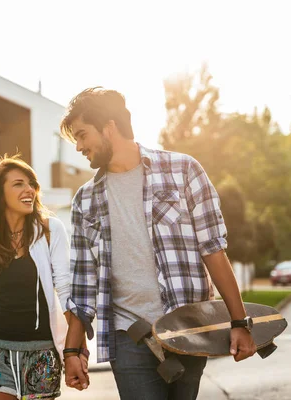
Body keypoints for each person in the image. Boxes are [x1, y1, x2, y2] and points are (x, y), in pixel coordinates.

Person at [60, 87, 257, 400]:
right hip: (129, 336)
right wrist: (72, 350)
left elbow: (213, 250)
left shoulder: (183, 170)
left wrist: (239, 322)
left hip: (187, 328)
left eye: (82, 135)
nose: (80, 147)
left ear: (109, 126)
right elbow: (82, 284)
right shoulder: (85, 200)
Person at [0, 155, 88, 400]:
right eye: (19, 184)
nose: (30, 189)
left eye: (32, 184)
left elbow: (67, 292)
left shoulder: (50, 231)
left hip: (43, 355)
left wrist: (77, 352)